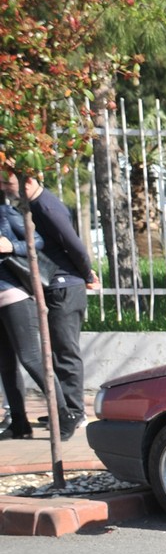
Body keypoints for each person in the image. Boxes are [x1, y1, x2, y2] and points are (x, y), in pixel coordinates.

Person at [4, 170, 98, 439]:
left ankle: (74, 413)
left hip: (66, 286)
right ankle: (65, 409)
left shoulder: (46, 206)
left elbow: (74, 245)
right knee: (57, 350)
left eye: (8, 182)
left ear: (28, 179)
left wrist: (86, 273)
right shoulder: (35, 205)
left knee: (65, 351)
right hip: (56, 285)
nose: (5, 187)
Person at [0, 186, 48, 439]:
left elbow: (37, 241)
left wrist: (10, 246)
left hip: (14, 295)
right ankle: (19, 423)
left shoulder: (5, 214)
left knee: (30, 358)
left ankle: (64, 414)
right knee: (5, 366)